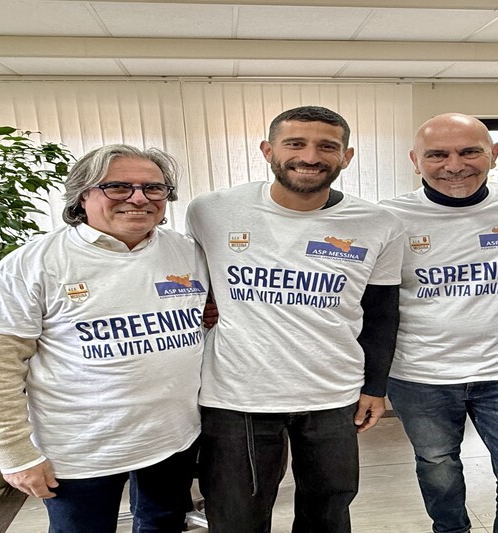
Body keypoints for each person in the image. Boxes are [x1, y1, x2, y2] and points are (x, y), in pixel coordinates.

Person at [186, 105, 405, 532]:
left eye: (327, 146)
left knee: (328, 514)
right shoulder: (211, 210)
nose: (310, 156)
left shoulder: (380, 224)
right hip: (237, 395)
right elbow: (187, 274)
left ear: (346, 156)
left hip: (332, 394)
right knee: (236, 518)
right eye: (295, 144)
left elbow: (381, 313)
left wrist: (375, 387)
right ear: (268, 151)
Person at [0, 145, 209, 533]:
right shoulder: (32, 264)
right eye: (118, 187)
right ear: (82, 195)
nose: (139, 198)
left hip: (174, 439)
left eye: (154, 188)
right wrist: (13, 453)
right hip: (81, 453)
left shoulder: (187, 253)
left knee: (163, 525)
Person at [380, 113, 498, 533]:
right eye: (437, 155)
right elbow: (369, 301)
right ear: (415, 161)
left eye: (469, 152)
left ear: (493, 154)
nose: (454, 165)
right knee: (437, 467)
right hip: (421, 376)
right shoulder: (388, 218)